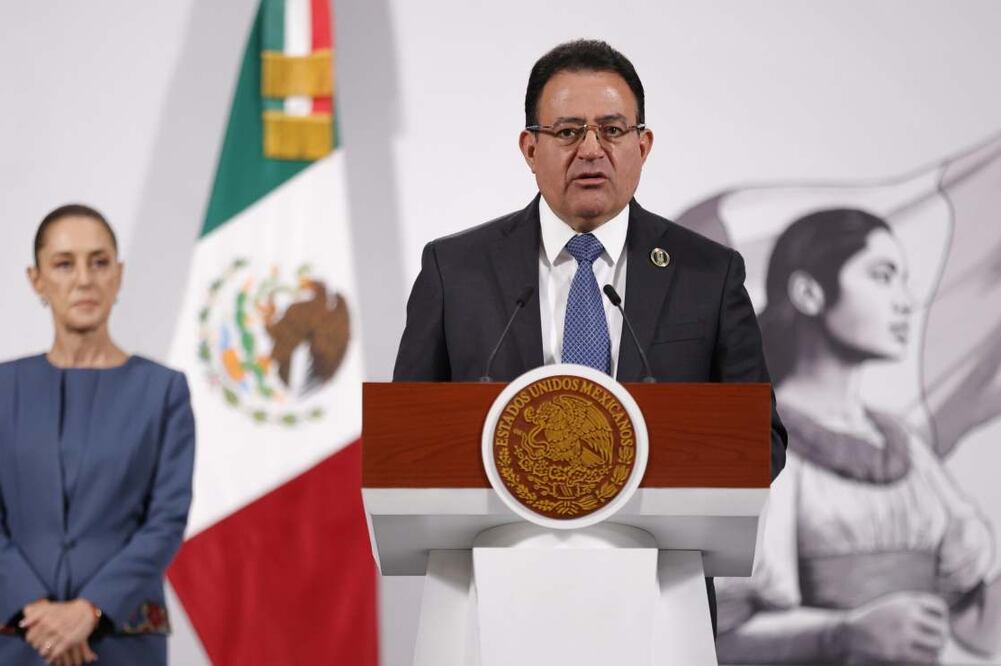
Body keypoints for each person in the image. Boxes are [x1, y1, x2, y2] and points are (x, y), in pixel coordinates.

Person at [392, 39, 787, 627]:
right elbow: (408, 443)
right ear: (530, 147)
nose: (591, 151)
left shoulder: (708, 273)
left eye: (612, 129)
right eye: (569, 131)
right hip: (495, 593)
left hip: (659, 596)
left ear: (643, 144)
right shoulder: (457, 270)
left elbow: (762, 443)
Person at [715, 209, 1001, 664]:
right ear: (809, 293)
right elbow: (717, 638)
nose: (906, 301)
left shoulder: (902, 444)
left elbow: (976, 624)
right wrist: (843, 634)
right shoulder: (754, 437)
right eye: (883, 276)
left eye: (903, 279)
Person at [0, 204, 195, 665]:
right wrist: (39, 612)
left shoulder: (163, 391)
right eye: (64, 264)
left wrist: (90, 611)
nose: (84, 279)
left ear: (119, 275)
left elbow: (166, 520)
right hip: (18, 639)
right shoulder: (0, 386)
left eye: (99, 261)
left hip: (122, 640)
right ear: (37, 280)